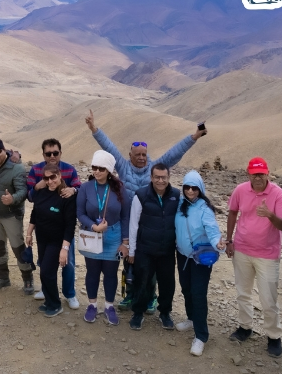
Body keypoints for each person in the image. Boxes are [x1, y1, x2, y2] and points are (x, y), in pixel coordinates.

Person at [85, 109, 206, 312]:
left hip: (150, 225)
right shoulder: (123, 167)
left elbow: (175, 152)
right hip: (129, 225)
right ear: (130, 155)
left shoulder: (154, 168)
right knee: (129, 262)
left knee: (151, 267)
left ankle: (150, 297)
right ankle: (130, 295)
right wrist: (94, 129)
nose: (141, 158)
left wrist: (195, 136)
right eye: (137, 155)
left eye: (144, 154)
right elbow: (109, 146)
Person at [224, 157, 282, 357]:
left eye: (261, 174)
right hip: (242, 249)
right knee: (243, 292)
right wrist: (229, 240)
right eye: (254, 174)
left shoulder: (277, 194)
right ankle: (245, 327)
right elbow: (232, 213)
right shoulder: (240, 190)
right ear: (248, 174)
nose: (258, 178)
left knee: (268, 297)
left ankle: (274, 336)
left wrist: (269, 214)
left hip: (267, 254)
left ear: (267, 173)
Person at [78, 150, 131, 326]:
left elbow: (125, 216)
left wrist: (125, 242)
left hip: (113, 236)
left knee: (110, 273)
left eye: (101, 168)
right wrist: (94, 226)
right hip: (92, 234)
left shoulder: (120, 189)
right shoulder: (85, 188)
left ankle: (109, 306)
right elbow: (80, 213)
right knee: (92, 272)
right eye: (95, 167)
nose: (97, 171)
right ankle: (92, 305)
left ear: (108, 170)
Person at [26, 138, 81, 309]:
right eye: (48, 153)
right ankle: (47, 289)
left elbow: (80, 188)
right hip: (43, 229)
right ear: (43, 154)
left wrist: (73, 189)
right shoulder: (36, 170)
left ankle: (69, 293)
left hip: (62, 229)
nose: (52, 156)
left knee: (68, 261)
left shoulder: (69, 170)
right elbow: (29, 196)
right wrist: (38, 186)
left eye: (55, 153)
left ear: (60, 153)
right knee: (44, 263)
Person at [174, 170, 224, 356]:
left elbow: (212, 231)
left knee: (198, 293)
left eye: (194, 188)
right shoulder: (180, 205)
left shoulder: (204, 209)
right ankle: (191, 318)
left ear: (200, 189)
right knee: (186, 288)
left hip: (200, 259)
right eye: (187, 187)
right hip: (182, 255)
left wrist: (218, 243)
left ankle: (201, 336)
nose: (190, 191)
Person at [128, 163, 180, 331]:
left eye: (163, 177)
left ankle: (165, 313)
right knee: (142, 281)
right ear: (151, 178)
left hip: (166, 250)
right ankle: (138, 313)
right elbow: (133, 224)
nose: (160, 180)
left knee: (167, 283)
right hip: (145, 249)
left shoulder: (176, 196)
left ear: (168, 177)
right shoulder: (141, 195)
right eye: (157, 177)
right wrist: (132, 251)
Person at [0, 138, 33, 294]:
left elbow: (23, 191)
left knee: (18, 247)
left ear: (4, 150)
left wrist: (12, 199)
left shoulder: (16, 168)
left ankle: (27, 278)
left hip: (11, 215)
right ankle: (2, 276)